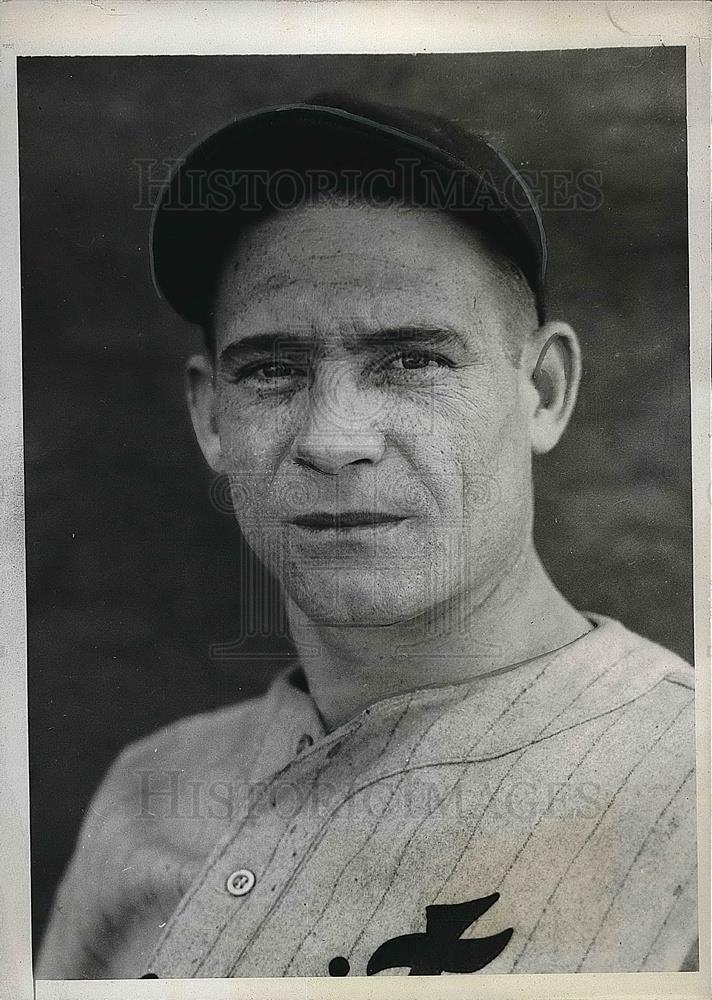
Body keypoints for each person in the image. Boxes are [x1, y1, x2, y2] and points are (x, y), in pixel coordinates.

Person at [36, 94, 697, 979]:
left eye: (413, 360)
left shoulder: (686, 786)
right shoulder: (147, 790)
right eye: (273, 371)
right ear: (211, 417)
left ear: (542, 391)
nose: (333, 439)